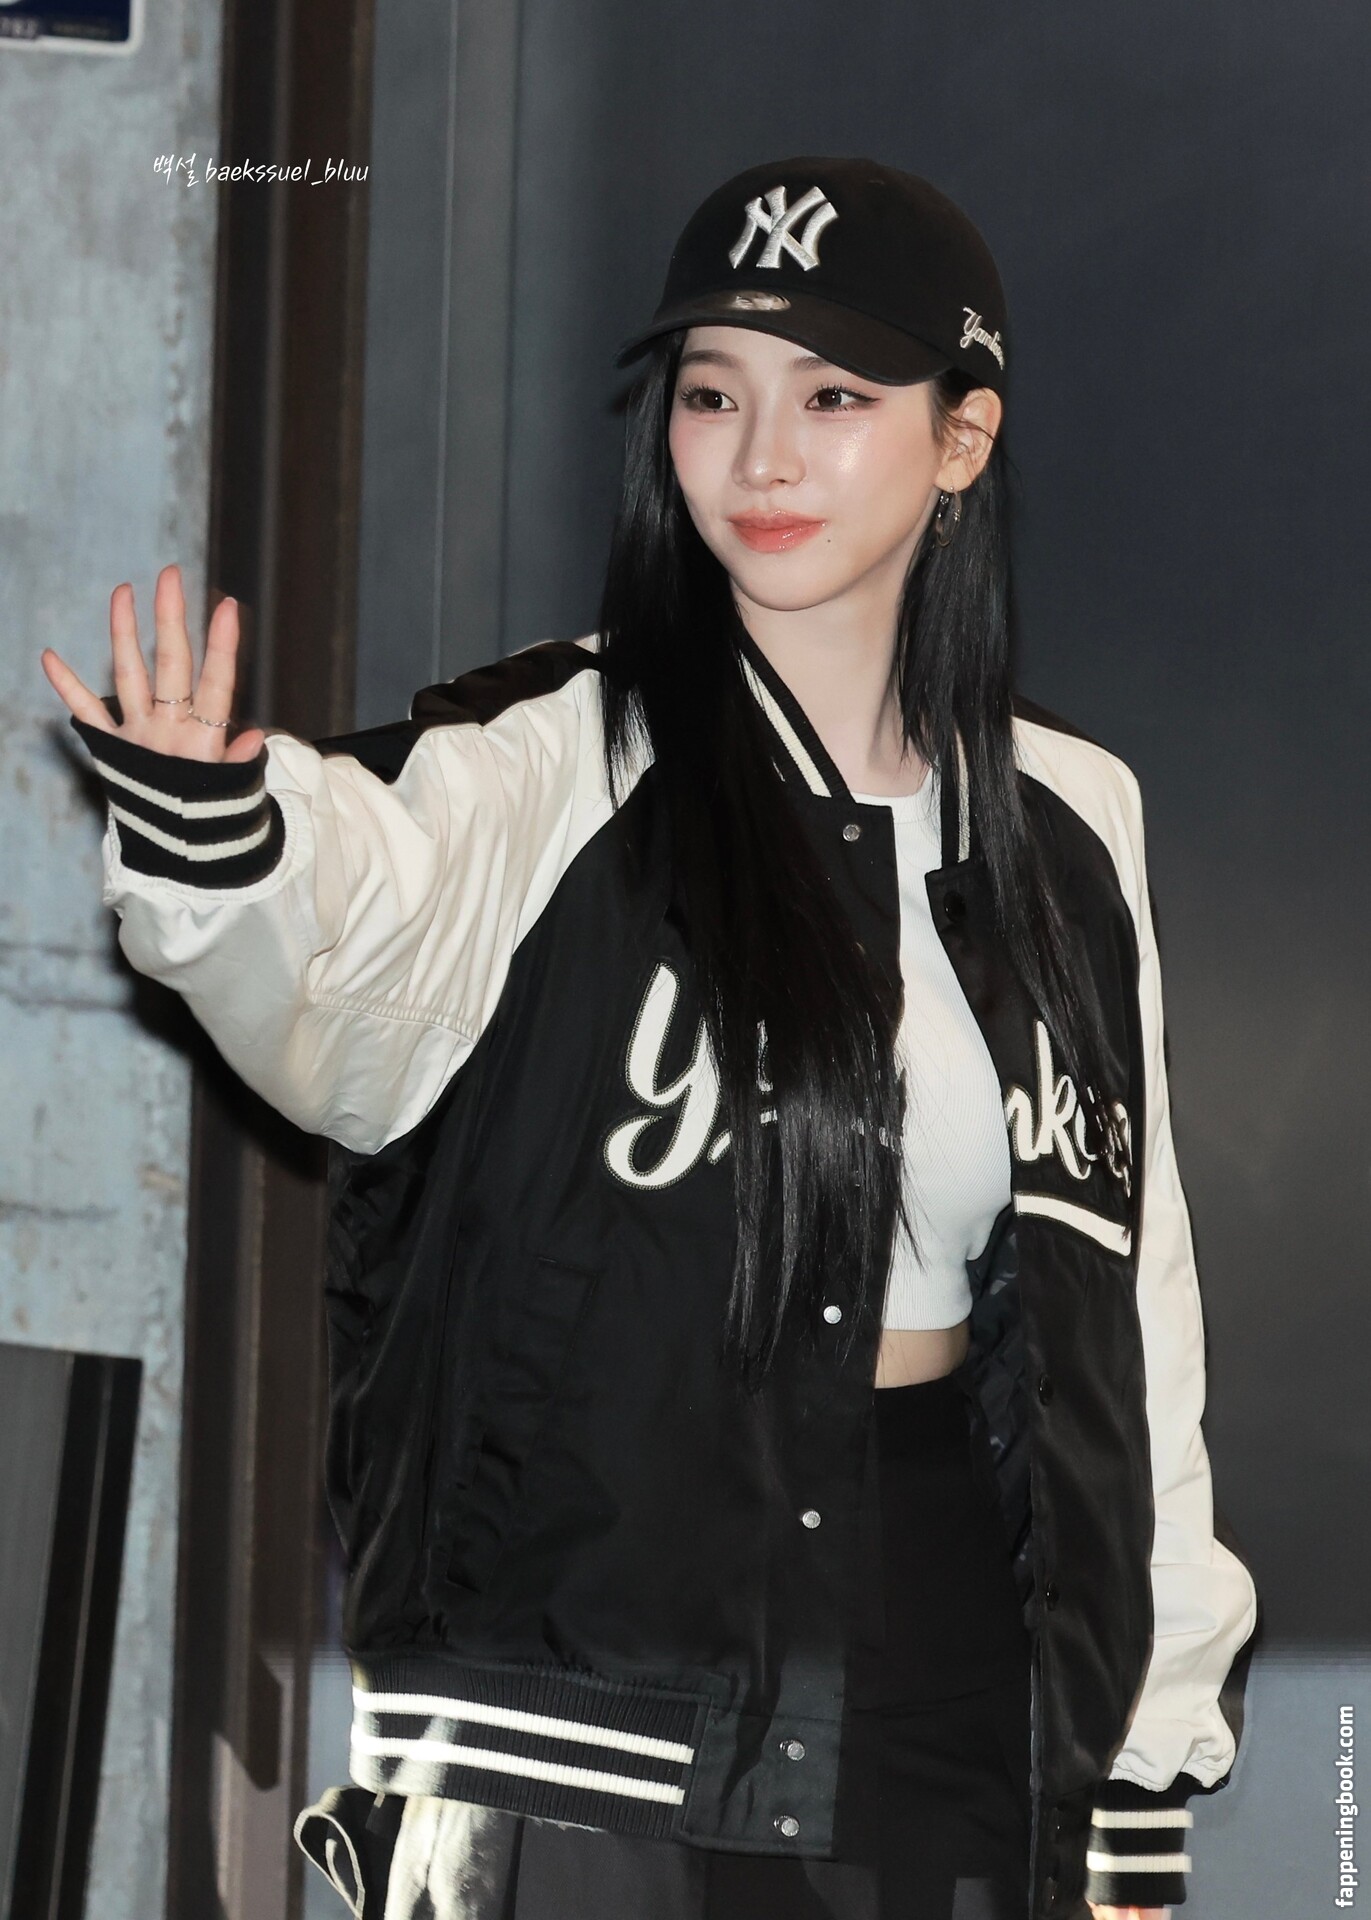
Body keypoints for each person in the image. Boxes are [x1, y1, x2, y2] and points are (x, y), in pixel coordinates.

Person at [43, 158, 1258, 1920]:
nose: (759, 457)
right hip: (581, 1725)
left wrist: (1138, 1769)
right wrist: (222, 843)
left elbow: (1132, 1311)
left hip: (955, 1707)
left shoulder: (1072, 816)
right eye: (711, 395)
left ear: (962, 437)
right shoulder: (556, 756)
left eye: (832, 398)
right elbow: (351, 913)